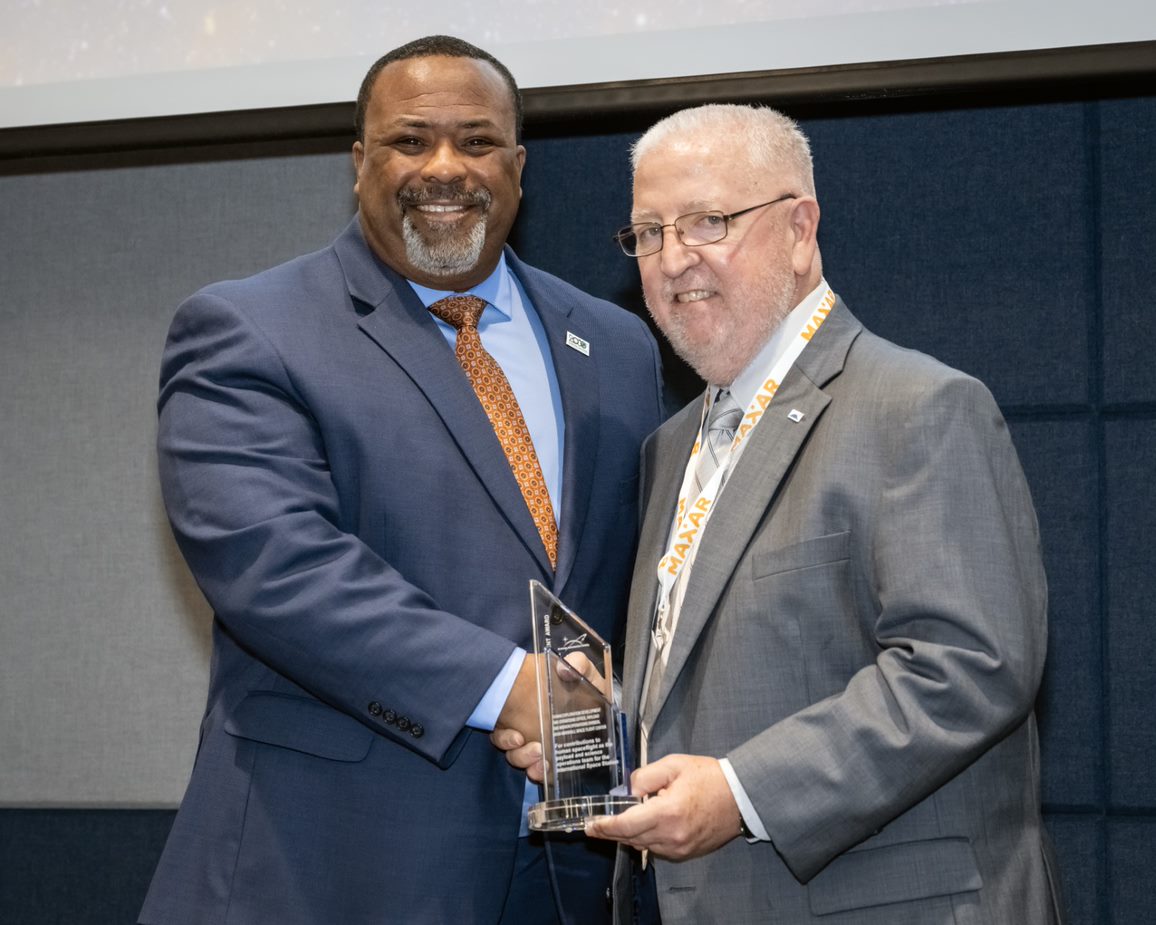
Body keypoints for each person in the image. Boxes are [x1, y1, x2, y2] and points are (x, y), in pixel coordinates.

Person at [139, 35, 666, 925]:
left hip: (570, 875)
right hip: (331, 866)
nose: (446, 167)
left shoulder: (615, 345)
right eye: (411, 140)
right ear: (358, 162)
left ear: (519, 163)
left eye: (478, 141)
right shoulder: (249, 330)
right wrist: (512, 685)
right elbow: (280, 569)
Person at [499, 103, 1064, 923]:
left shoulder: (919, 407)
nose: (671, 259)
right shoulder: (671, 447)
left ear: (800, 230)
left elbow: (970, 666)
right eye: (648, 233)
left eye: (707, 221)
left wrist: (740, 791)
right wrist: (596, 733)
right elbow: (715, 680)